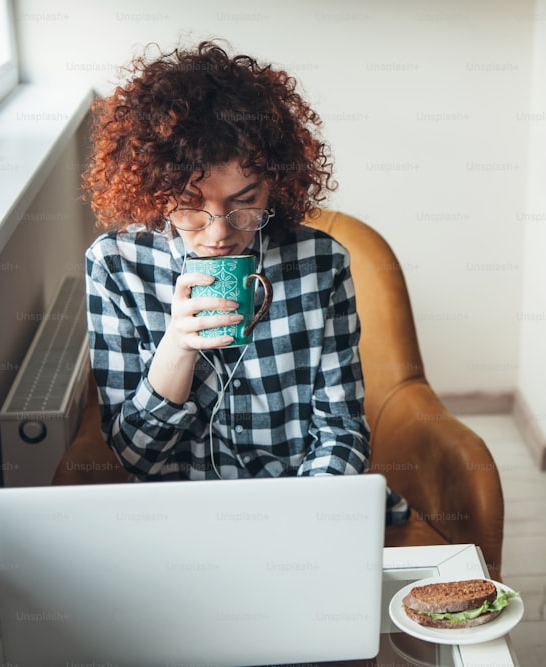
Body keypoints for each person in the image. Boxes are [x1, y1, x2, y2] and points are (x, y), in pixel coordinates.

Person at [81, 40, 408, 525]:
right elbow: (137, 458)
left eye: (244, 203)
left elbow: (341, 431)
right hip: (178, 524)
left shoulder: (320, 263)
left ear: (276, 182)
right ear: (154, 189)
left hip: (300, 515)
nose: (218, 233)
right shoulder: (115, 266)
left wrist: (299, 523)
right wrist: (177, 346)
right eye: (190, 203)